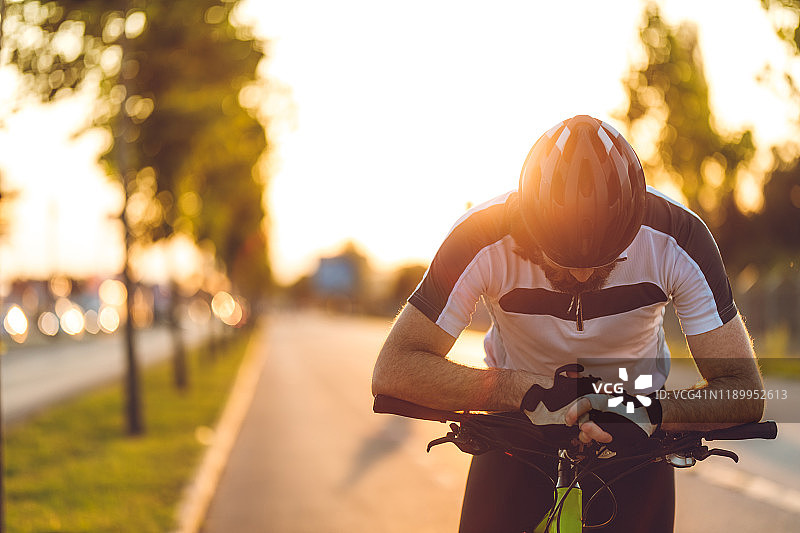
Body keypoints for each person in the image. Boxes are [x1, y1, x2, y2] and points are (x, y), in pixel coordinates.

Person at [371, 115, 764, 532]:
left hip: (634, 433)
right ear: (528, 221)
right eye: (558, 261)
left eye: (603, 264)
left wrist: (646, 409)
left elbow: (743, 389)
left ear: (634, 225)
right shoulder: (479, 236)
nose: (579, 277)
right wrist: (524, 391)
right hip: (515, 429)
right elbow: (393, 368)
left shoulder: (679, 236)